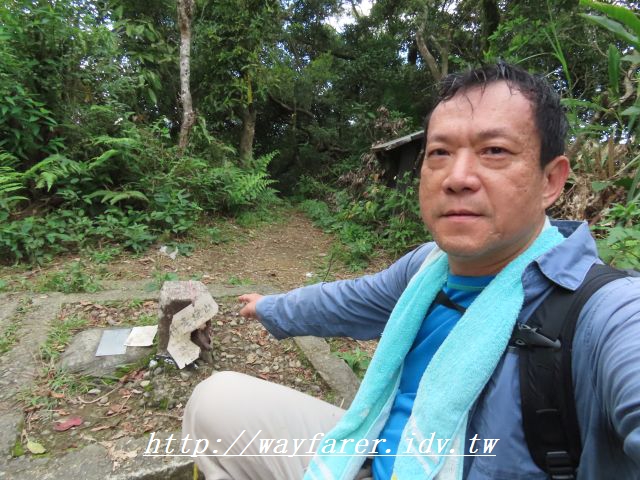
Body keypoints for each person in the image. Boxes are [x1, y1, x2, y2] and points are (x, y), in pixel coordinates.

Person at [182, 62, 640, 479]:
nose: (457, 177)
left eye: (495, 150)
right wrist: (271, 307)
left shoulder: (604, 312)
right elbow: (348, 300)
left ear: (551, 181)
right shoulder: (427, 268)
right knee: (215, 402)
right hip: (380, 455)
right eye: (440, 152)